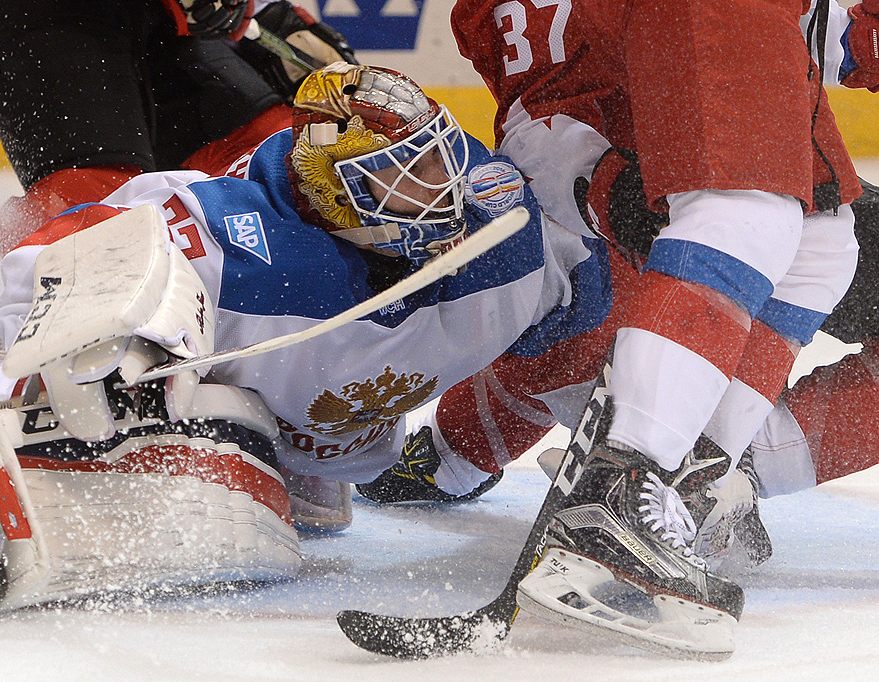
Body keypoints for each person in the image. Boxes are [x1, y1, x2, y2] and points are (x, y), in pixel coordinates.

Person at [0, 62, 618, 613]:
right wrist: (64, 359)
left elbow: (579, 316)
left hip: (341, 450)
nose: (438, 199)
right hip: (249, 429)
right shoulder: (227, 236)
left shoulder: (495, 218)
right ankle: (25, 495)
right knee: (181, 423)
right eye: (400, 185)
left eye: (439, 165)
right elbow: (57, 250)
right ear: (331, 197)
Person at [354, 0, 873, 659]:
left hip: (711, 67)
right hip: (621, 173)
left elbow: (838, 33)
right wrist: (602, 185)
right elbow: (538, 109)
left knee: (820, 245)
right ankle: (621, 496)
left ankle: (681, 484)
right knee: (746, 214)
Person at [0, 0, 355, 255]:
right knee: (98, 223)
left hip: (166, 19)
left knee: (279, 151)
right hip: (47, 13)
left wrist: (266, 10)